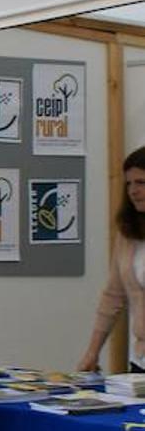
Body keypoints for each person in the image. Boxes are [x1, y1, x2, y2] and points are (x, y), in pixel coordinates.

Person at [78, 145, 145, 373]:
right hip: (141, 359)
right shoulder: (128, 234)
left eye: (141, 183)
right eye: (129, 184)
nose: (133, 191)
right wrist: (92, 352)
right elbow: (113, 297)